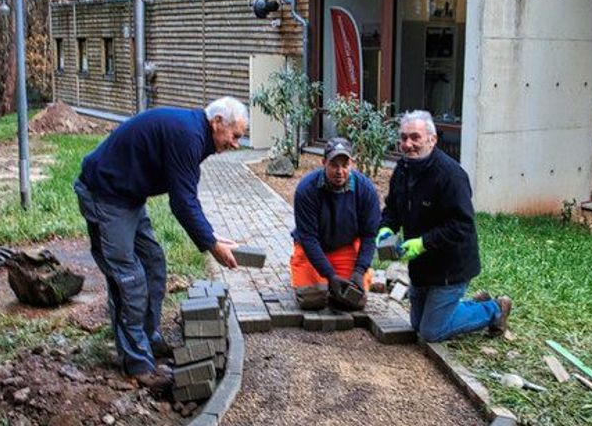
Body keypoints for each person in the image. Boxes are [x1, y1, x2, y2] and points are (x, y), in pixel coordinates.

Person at [73, 97, 247, 392]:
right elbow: (182, 202)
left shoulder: (195, 134)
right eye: (236, 135)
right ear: (217, 122)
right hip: (105, 195)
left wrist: (212, 236)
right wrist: (211, 244)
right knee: (129, 279)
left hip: (129, 196)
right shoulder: (189, 135)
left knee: (154, 264)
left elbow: (186, 193)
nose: (236, 144)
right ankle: (138, 364)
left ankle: (148, 338)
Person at [378, 110, 511, 342]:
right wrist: (385, 229)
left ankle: (495, 309)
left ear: (432, 139)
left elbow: (462, 225)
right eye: (403, 138)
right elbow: (392, 209)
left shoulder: (450, 175)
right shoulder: (403, 169)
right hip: (422, 267)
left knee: (431, 332)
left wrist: (423, 243)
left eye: (415, 137)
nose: (407, 144)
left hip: (451, 267)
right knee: (417, 325)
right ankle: (471, 306)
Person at [290, 136, 381, 310]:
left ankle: (340, 279)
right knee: (311, 300)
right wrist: (330, 275)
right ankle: (307, 275)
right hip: (312, 249)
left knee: (354, 300)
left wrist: (359, 271)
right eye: (334, 165)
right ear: (323, 163)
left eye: (345, 165)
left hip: (344, 248)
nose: (340, 171)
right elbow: (308, 238)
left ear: (351, 164)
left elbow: (369, 236)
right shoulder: (306, 189)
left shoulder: (366, 190)